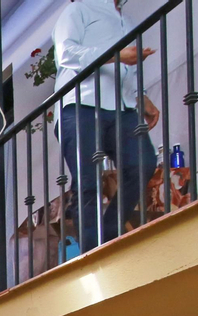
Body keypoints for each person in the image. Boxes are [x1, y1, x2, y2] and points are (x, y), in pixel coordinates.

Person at [56, 0, 159, 254]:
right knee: (88, 181)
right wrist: (114, 54)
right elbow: (66, 53)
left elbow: (129, 73)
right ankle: (93, 251)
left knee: (143, 162)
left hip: (121, 108)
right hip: (81, 103)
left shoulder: (129, 22)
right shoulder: (78, 10)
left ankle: (110, 232)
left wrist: (141, 97)